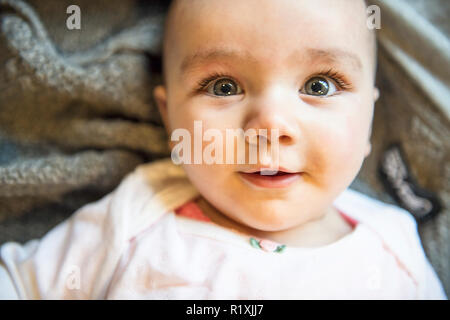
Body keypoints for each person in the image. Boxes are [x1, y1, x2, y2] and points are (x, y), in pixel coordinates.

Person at [0, 0, 446, 299]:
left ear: (368, 118)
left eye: (319, 85)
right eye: (224, 86)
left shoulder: (392, 253)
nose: (270, 125)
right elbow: (19, 282)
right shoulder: (140, 213)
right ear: (171, 118)